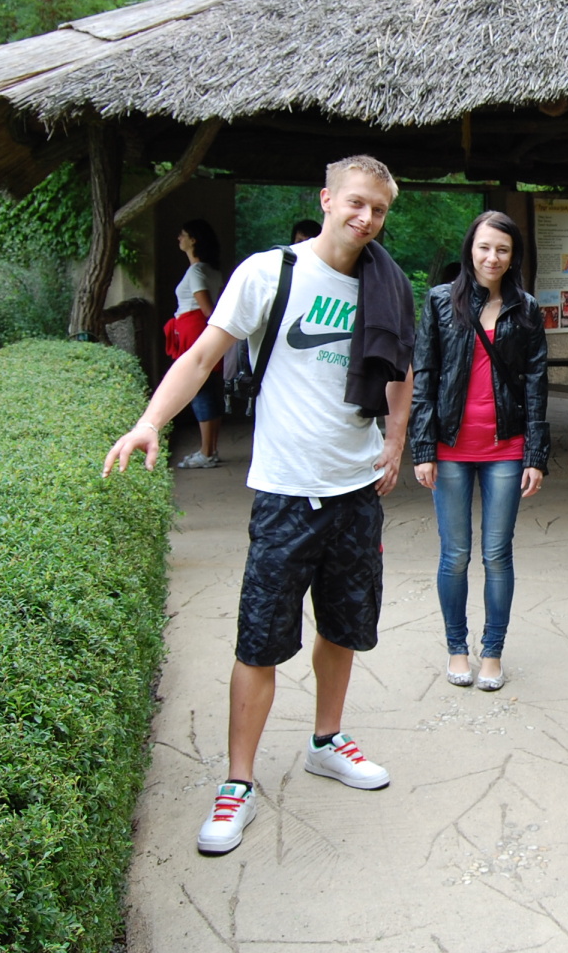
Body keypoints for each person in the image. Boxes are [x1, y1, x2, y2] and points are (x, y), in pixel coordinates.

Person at [104, 155, 416, 857]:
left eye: (380, 209)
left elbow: (401, 371)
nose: (366, 218)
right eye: (356, 203)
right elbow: (200, 358)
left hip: (356, 490)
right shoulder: (268, 273)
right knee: (260, 639)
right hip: (284, 491)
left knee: (343, 627)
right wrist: (150, 422)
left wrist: (395, 443)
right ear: (327, 197)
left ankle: (326, 740)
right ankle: (238, 782)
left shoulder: (386, 285)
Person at [409, 212, 549, 691]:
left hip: (505, 447)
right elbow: (424, 376)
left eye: (503, 250)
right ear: (471, 248)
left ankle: (492, 650)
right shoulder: (439, 303)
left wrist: (535, 454)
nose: (493, 257)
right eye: (485, 247)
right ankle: (456, 647)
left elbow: (535, 383)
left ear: (513, 258)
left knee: (497, 554)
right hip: (450, 447)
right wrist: (422, 447)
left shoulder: (526, 309)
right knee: (455, 554)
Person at [166, 219, 225, 468]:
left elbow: (207, 309)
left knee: (198, 389)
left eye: (183, 234)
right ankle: (209, 449)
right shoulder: (212, 270)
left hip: (194, 331)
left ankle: (206, 452)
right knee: (208, 388)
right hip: (201, 331)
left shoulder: (197, 271)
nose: (179, 238)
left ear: (194, 240)